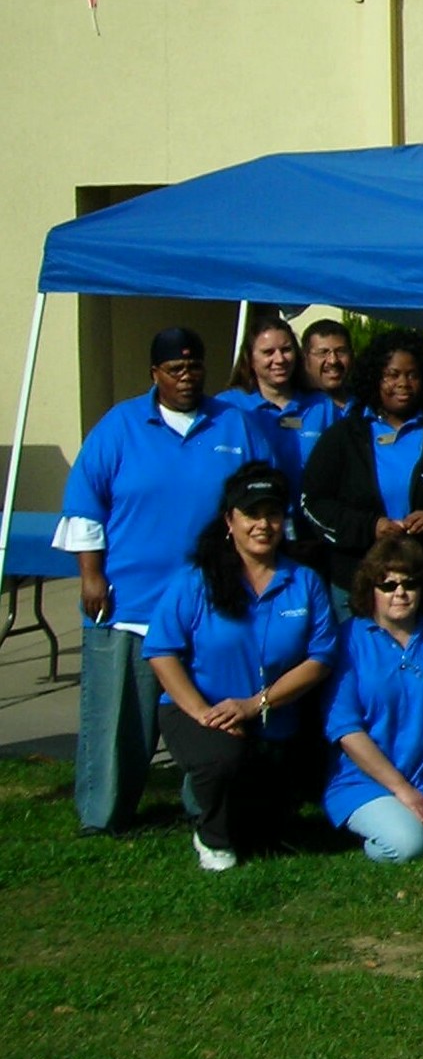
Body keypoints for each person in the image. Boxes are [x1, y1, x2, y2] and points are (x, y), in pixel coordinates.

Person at [57, 326, 275, 834]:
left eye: (194, 367)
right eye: (175, 369)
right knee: (117, 722)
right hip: (128, 603)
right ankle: (104, 815)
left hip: (211, 604)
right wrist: (91, 576)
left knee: (209, 714)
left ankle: (205, 807)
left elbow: (264, 503)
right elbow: (85, 507)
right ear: (155, 374)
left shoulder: (235, 425)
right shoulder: (119, 426)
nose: (186, 377)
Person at [144, 465, 341, 870]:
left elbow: (321, 658)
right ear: (229, 521)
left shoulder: (304, 582)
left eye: (273, 514)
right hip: (200, 710)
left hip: (272, 713)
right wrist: (205, 714)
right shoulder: (196, 581)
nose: (263, 525)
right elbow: (161, 651)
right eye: (251, 514)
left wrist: (255, 704)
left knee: (264, 832)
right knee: (222, 759)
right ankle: (212, 838)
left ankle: (248, 818)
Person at [299, 328, 423, 603]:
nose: (403, 383)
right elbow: (314, 502)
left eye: (412, 375)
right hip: (356, 581)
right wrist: (370, 527)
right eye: (392, 375)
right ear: (374, 377)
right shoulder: (343, 437)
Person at [323, 536, 423, 864]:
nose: (400, 592)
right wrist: (402, 790)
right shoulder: (347, 641)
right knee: (408, 845)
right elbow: (346, 729)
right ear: (370, 590)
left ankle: (417, 820)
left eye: (410, 583)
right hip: (366, 780)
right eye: (388, 585)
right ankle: (385, 828)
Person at [221, 314, 333, 493]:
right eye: (268, 352)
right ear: (250, 359)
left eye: (286, 350)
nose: (280, 359)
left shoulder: (322, 406)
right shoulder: (227, 406)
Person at [301, 320, 357, 423]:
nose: (333, 360)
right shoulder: (295, 410)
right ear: (305, 359)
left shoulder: (368, 407)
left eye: (340, 351)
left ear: (352, 355)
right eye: (323, 352)